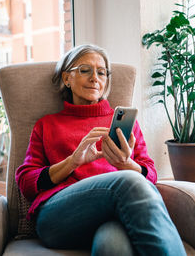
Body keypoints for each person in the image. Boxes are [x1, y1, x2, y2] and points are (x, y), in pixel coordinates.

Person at [16, 44, 186, 256]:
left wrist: (128, 165)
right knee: (127, 181)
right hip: (60, 217)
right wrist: (72, 162)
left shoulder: (125, 123)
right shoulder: (47, 124)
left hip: (112, 216)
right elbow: (26, 182)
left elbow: (149, 175)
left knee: (113, 247)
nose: (94, 78)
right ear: (67, 78)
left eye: (101, 72)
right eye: (85, 70)